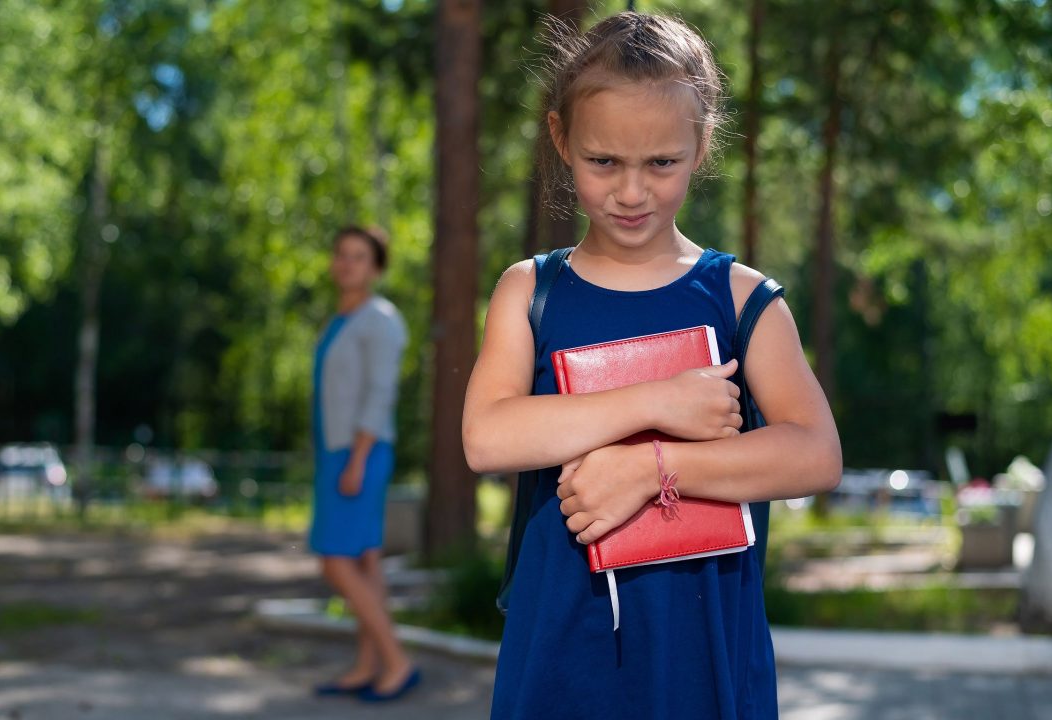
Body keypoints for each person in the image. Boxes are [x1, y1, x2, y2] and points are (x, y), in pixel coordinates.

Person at [462, 12, 842, 719]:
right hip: (559, 662)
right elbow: (488, 437)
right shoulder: (531, 291)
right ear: (560, 140)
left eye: (661, 163)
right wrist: (654, 401)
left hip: (703, 660)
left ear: (699, 147)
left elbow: (816, 454)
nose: (632, 192)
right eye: (603, 161)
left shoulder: (742, 300)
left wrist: (651, 469)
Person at [309, 225, 418, 702]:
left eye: (359, 256)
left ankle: (396, 661)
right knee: (363, 560)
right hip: (338, 451)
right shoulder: (339, 320)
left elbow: (379, 395)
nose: (348, 263)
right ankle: (368, 665)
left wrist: (355, 459)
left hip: (360, 453)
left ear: (375, 268)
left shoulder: (381, 320)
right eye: (342, 254)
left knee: (336, 562)